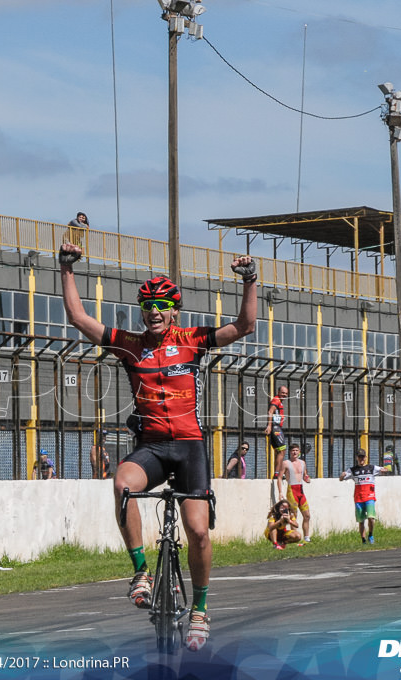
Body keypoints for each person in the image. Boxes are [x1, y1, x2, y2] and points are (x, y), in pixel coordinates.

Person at [59, 240, 257, 653]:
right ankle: (141, 572)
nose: (153, 313)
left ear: (174, 311)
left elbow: (243, 326)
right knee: (121, 485)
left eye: (161, 307)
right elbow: (78, 317)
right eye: (147, 307)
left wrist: (249, 281)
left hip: (189, 447)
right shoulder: (130, 344)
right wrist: (66, 268)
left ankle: (200, 609)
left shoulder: (192, 339)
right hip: (151, 445)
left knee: (199, 532)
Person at [339, 448, 384, 544]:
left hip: (370, 497)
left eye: (363, 457)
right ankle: (363, 540)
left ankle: (371, 535)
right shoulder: (353, 470)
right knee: (361, 520)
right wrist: (342, 476)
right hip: (358, 498)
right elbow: (342, 478)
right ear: (356, 458)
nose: (361, 459)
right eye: (359, 457)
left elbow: (383, 469)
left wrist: (385, 469)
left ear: (366, 457)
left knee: (371, 518)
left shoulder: (372, 468)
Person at [277, 443, 312, 543]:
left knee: (307, 515)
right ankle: (295, 537)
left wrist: (307, 479)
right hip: (292, 491)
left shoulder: (302, 463)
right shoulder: (286, 463)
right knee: (293, 517)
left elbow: (305, 475)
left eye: (296, 450)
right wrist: (280, 492)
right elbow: (279, 478)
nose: (295, 452)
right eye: (293, 451)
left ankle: (306, 537)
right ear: (290, 452)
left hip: (301, 491)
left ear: (299, 452)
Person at [265, 384, 288, 478]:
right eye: (282, 393)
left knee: (279, 451)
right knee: (282, 450)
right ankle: (277, 473)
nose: (284, 395)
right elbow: (270, 412)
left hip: (276, 427)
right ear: (278, 392)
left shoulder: (280, 401)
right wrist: (269, 426)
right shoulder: (276, 400)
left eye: (286, 393)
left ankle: (277, 473)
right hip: (275, 427)